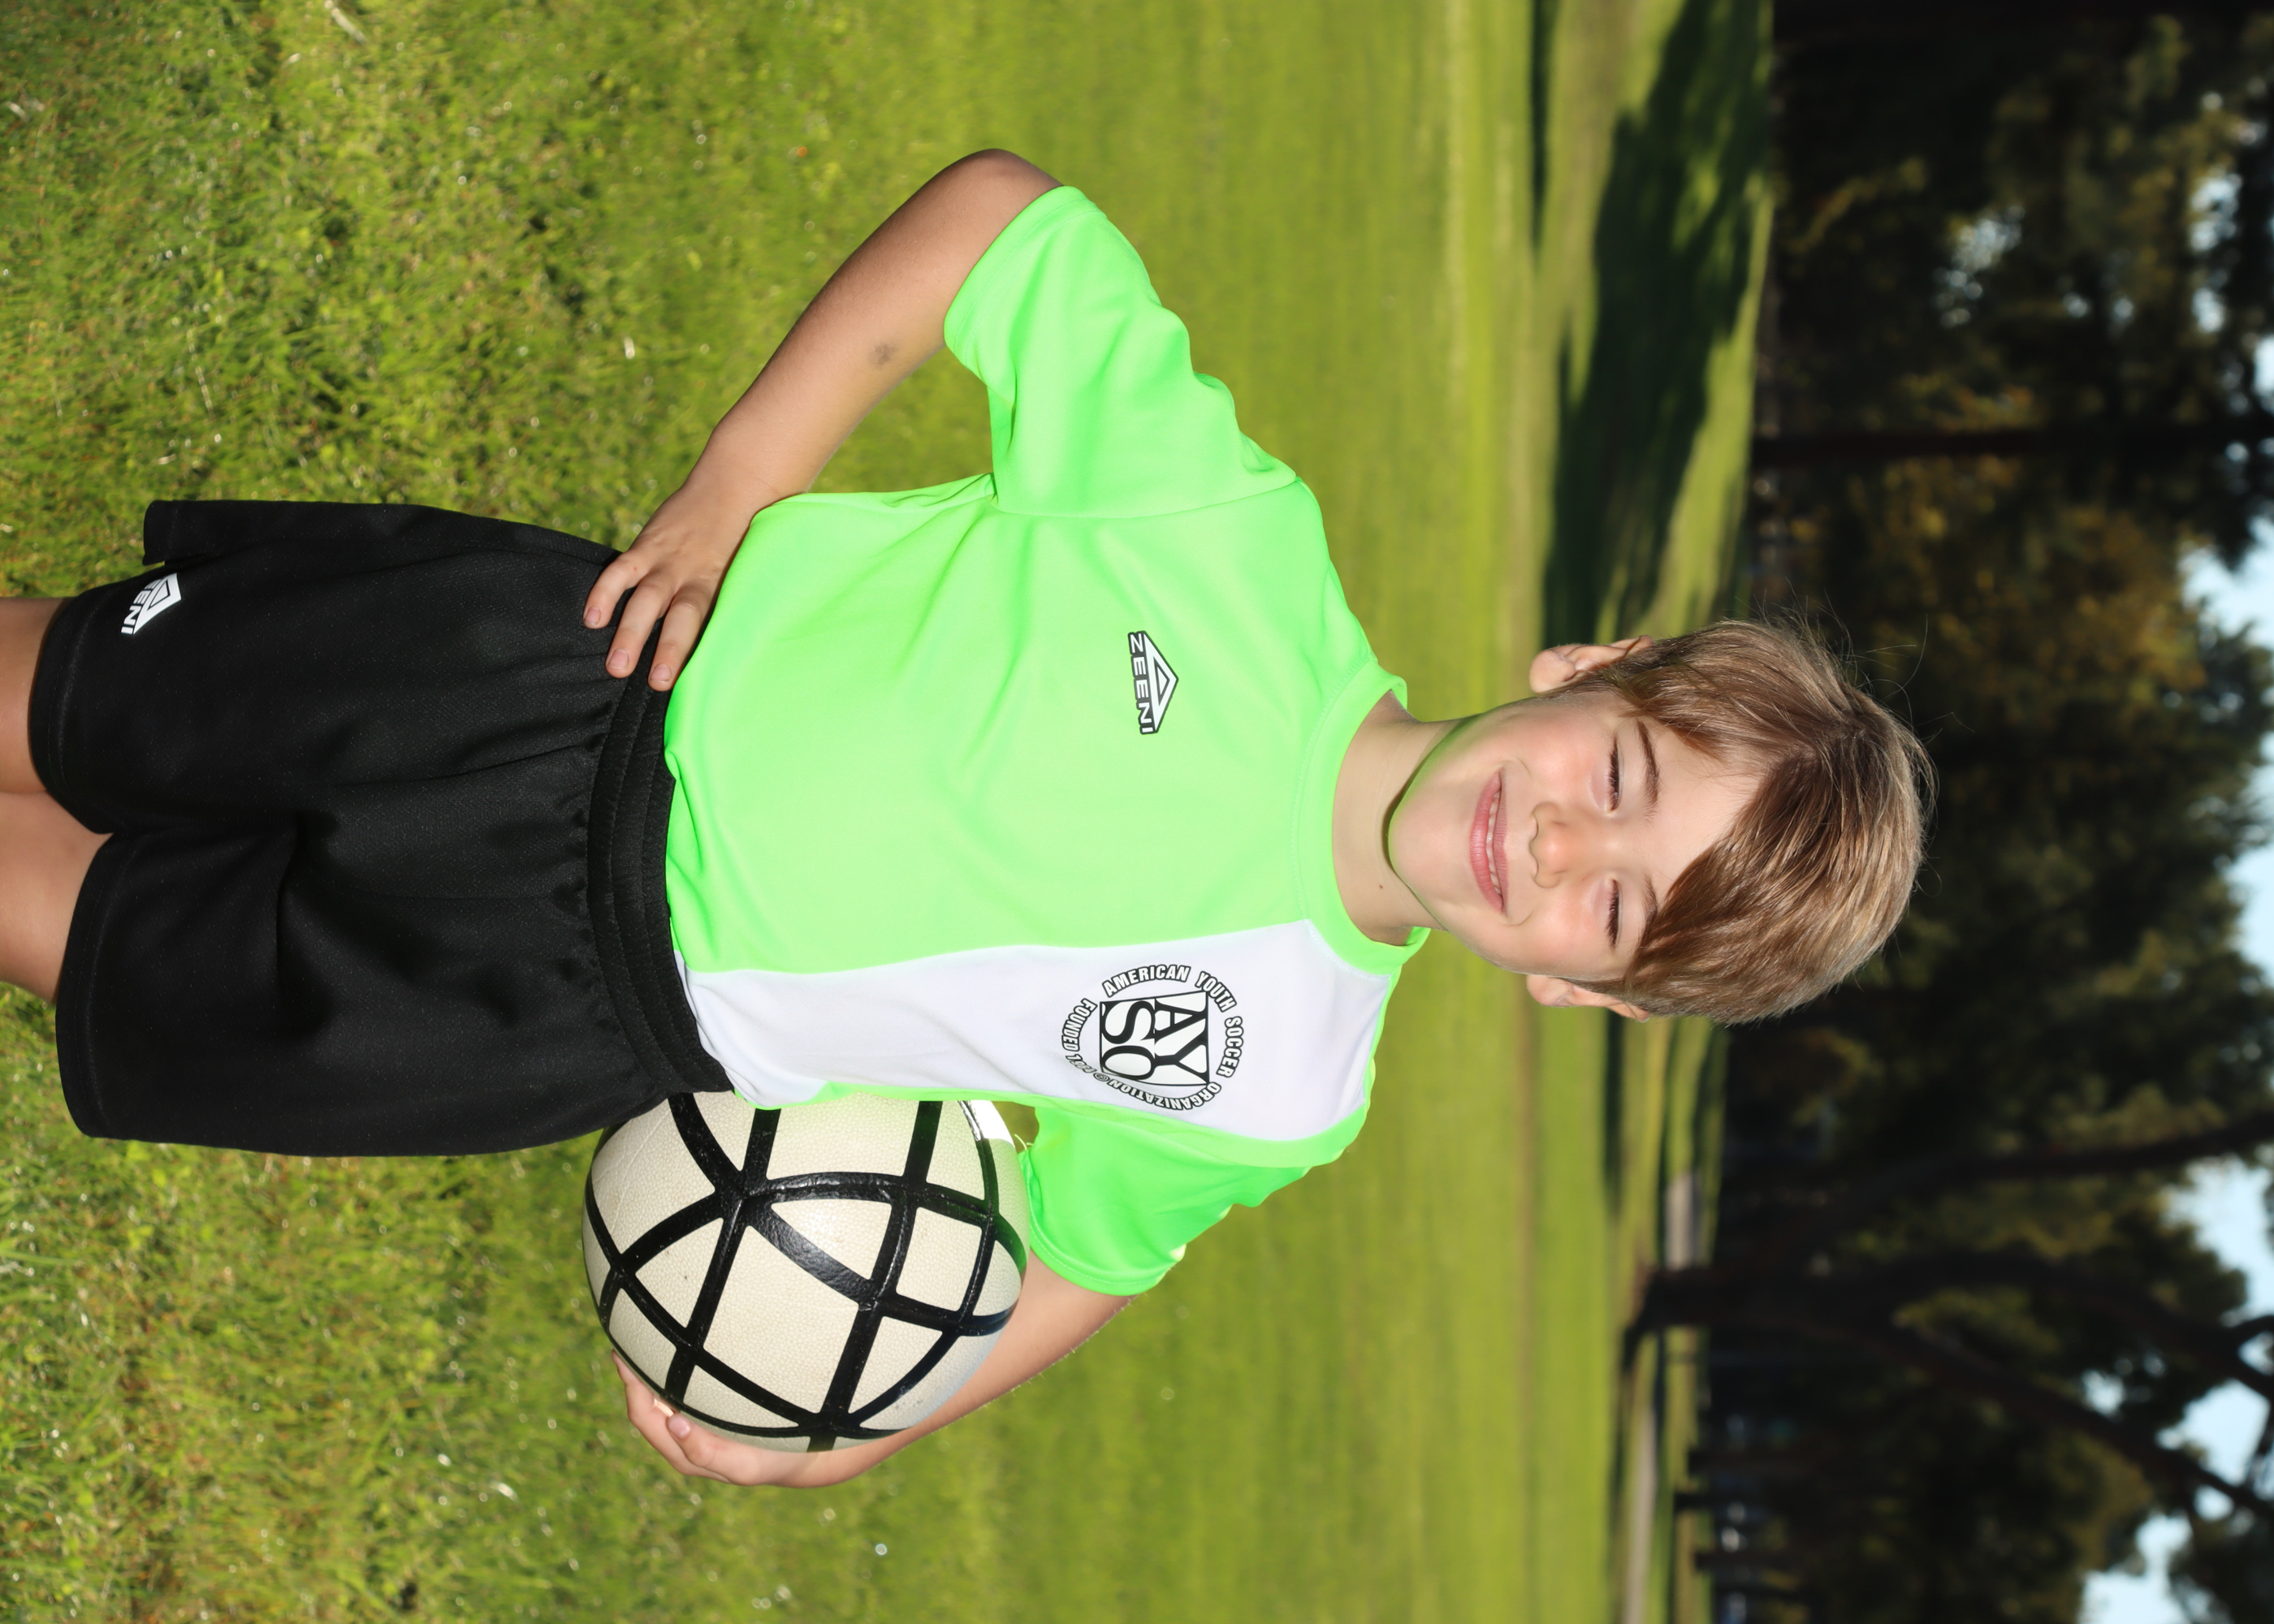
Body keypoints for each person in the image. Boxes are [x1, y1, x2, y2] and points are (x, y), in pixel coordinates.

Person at [0, 151, 1929, 1489]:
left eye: (1615, 914)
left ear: (1581, 996)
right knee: (71, 697)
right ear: (1596, 664)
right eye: (1618, 778)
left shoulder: (1286, 1085)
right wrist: (742, 474)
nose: (1561, 848)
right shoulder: (1232, 545)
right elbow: (1003, 225)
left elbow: (1079, 1255)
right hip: (569, 682)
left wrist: (850, 1414)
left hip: (576, 1019)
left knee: (102, 944)